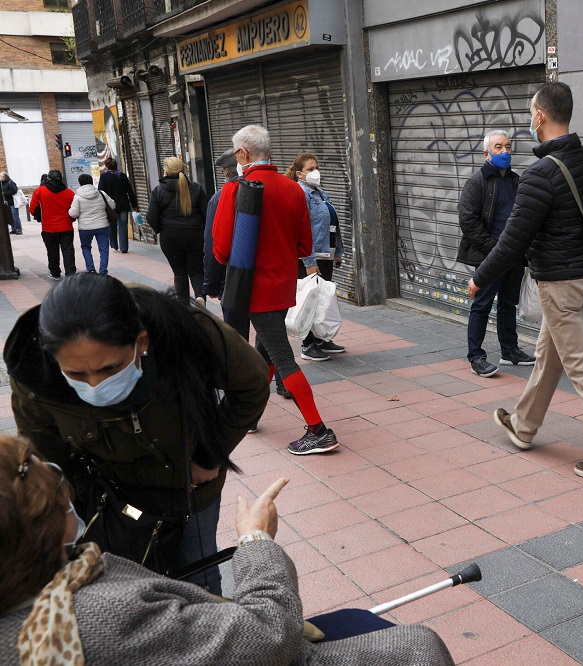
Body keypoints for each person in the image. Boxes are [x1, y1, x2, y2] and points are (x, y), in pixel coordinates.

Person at [0, 439, 457, 666]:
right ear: (39, 527)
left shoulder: (33, 600)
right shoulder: (96, 618)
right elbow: (268, 635)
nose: (68, 492)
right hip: (265, 643)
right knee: (418, 647)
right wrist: (256, 540)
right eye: (58, 487)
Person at [4, 272, 270, 594]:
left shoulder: (185, 330)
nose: (94, 385)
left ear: (141, 343)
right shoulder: (35, 376)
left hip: (191, 485)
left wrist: (209, 454)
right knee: (130, 583)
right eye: (75, 373)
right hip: (115, 496)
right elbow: (49, 459)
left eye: (110, 368)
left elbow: (252, 383)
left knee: (199, 575)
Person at [468, 82, 583, 480]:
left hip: (558, 286)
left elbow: (512, 241)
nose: (530, 119)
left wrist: (481, 276)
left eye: (530, 112)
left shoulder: (540, 174)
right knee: (549, 356)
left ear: (539, 116)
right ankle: (523, 426)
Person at [213, 125, 340, 455]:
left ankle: (318, 430)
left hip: (254, 290)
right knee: (266, 349)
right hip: (284, 285)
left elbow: (223, 250)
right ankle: (251, 414)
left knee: (282, 356)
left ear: (242, 154)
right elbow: (304, 244)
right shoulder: (293, 189)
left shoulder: (234, 190)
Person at [458, 130, 535, 377]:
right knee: (482, 304)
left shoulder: (517, 181)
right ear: (486, 153)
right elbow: (468, 222)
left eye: (508, 147)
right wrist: (495, 250)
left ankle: (509, 350)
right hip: (490, 256)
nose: (504, 151)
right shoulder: (476, 183)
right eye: (498, 147)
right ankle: (476, 357)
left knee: (508, 304)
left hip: (514, 255)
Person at [285, 151, 347, 364]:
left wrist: (337, 252)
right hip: (309, 257)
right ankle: (308, 344)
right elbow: (301, 230)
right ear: (300, 174)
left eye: (316, 167)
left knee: (323, 299)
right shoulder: (299, 194)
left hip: (325, 254)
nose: (316, 172)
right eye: (311, 169)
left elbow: (332, 224)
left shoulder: (319, 193)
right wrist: (309, 261)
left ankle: (322, 339)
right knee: (310, 298)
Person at [203, 149, 250, 340]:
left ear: (225, 172)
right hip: (265, 275)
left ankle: (245, 368)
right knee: (271, 337)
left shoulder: (219, 198)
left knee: (236, 335)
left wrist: (211, 285)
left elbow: (213, 244)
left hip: (232, 278)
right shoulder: (263, 189)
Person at [148, 156, 209, 300]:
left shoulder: (158, 191)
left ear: (166, 172)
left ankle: (184, 307)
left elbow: (151, 217)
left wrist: (161, 229)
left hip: (170, 237)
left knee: (180, 273)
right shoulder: (196, 188)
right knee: (196, 272)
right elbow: (207, 214)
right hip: (195, 236)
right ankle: (200, 298)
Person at [28, 170, 77, 280]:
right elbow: (74, 209)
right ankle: (70, 273)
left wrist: (40, 218)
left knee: (52, 251)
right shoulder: (69, 192)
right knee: (68, 250)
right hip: (66, 226)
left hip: (48, 227)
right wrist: (71, 219)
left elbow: (32, 208)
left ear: (48, 178)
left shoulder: (40, 191)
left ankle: (55, 272)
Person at [69, 174, 114, 275]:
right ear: (91, 181)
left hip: (85, 228)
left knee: (86, 247)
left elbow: (73, 213)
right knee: (104, 249)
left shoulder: (77, 197)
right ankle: (103, 271)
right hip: (102, 225)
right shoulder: (101, 194)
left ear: (80, 183)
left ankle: (91, 269)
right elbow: (113, 205)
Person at [98, 157, 139, 252]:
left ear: (107, 166)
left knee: (112, 225)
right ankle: (124, 248)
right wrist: (134, 205)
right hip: (123, 205)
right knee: (123, 225)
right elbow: (130, 191)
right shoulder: (122, 176)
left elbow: (101, 191)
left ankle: (114, 244)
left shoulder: (104, 177)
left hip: (110, 206)